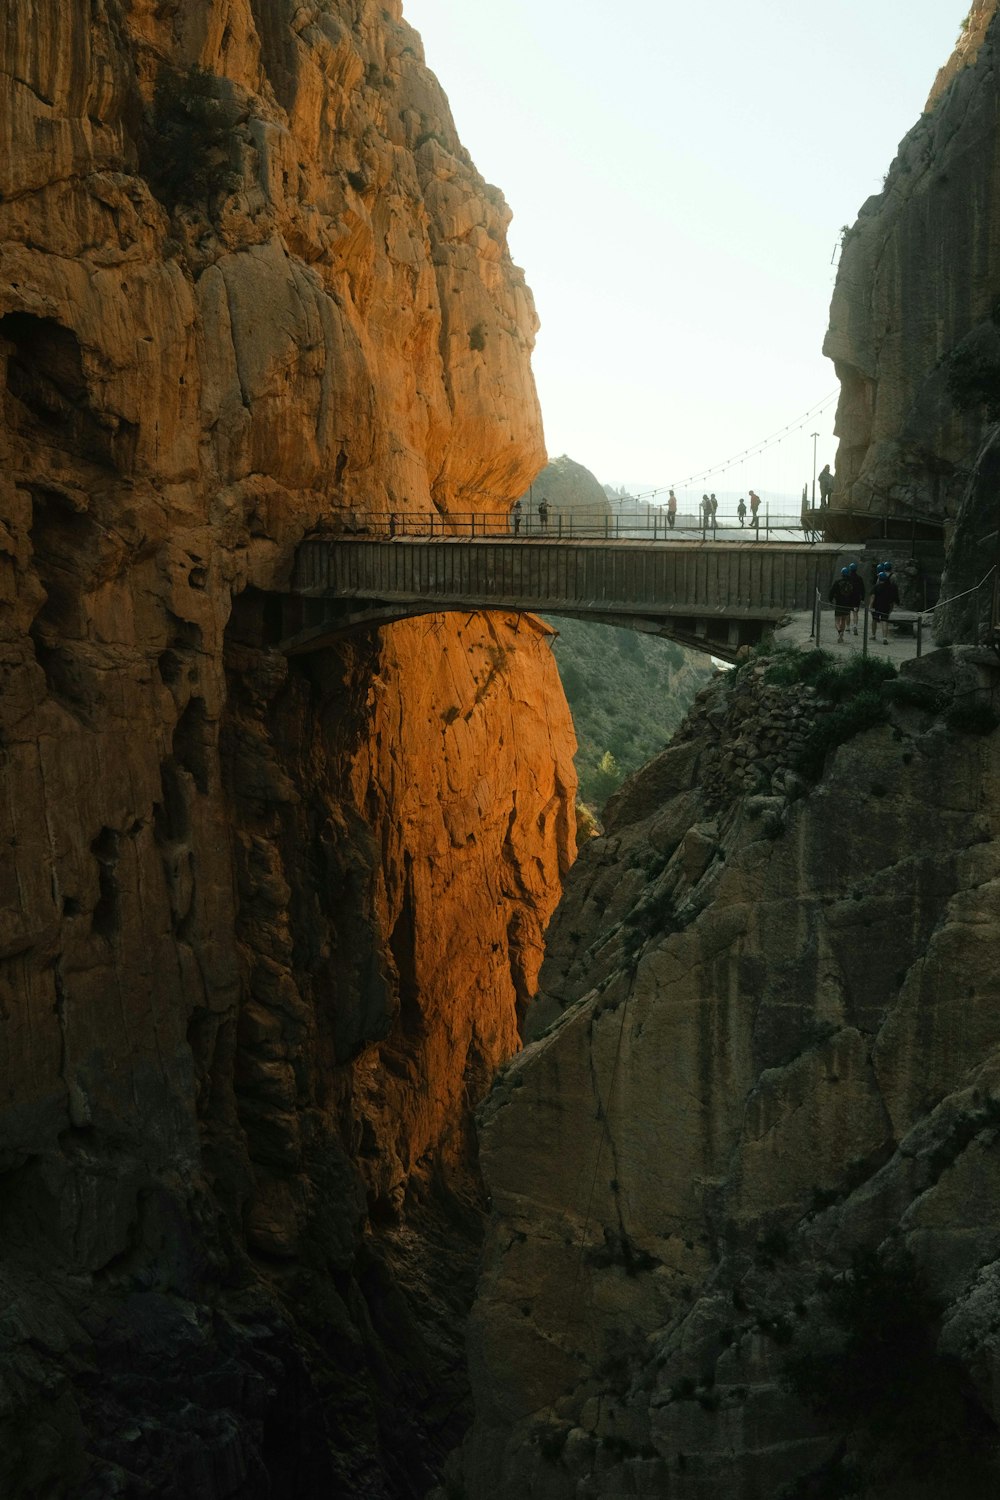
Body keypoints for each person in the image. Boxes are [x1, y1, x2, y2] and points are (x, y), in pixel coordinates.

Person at [870, 568, 900, 644]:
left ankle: (873, 635)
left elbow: (873, 597)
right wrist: (891, 607)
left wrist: (870, 606)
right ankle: (884, 638)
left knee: (874, 620)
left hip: (876, 606)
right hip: (886, 606)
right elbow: (891, 599)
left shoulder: (876, 587)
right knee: (884, 621)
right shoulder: (890, 588)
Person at [829, 566, 854, 644]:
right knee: (843, 619)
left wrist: (830, 600)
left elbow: (832, 592)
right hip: (847, 604)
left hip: (839, 603)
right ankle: (842, 635)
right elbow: (852, 594)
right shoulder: (850, 582)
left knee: (837, 620)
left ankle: (839, 632)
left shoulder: (837, 582)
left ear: (841, 573)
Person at [847, 561, 864, 636]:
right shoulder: (859, 578)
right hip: (856, 598)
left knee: (848, 612)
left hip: (848, 598)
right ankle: (855, 626)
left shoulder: (847, 578)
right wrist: (862, 597)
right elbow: (862, 588)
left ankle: (847, 627)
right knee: (855, 613)